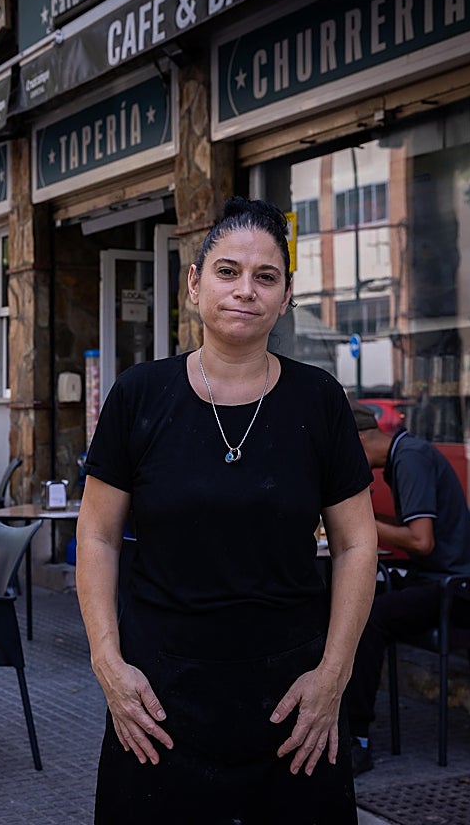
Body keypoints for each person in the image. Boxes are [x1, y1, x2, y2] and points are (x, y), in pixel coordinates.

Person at [75, 197, 379, 823]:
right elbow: (98, 537)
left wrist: (333, 678)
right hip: (157, 700)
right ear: (194, 284)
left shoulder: (318, 399)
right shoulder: (139, 395)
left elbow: (357, 544)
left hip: (295, 701)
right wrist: (109, 666)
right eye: (227, 271)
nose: (246, 290)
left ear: (287, 295)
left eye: (266, 277)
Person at [343, 402, 470, 775]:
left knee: (368, 618)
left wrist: (357, 521)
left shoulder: (411, 458)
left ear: (357, 441)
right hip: (431, 578)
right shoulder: (403, 455)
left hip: (455, 588)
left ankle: (358, 739)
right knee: (340, 602)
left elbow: (421, 542)